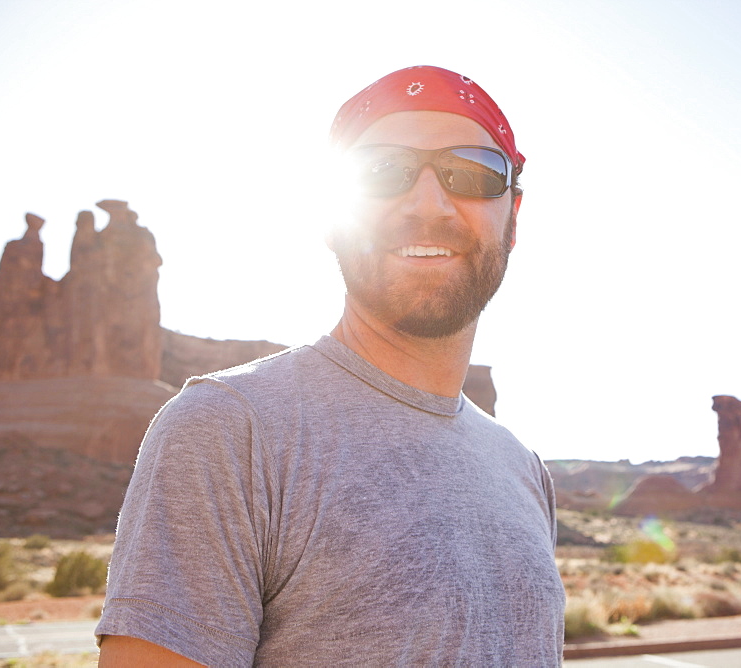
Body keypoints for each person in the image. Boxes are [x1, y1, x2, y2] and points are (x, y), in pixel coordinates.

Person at [96, 65, 565, 666]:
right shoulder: (228, 431)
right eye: (380, 171)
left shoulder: (522, 468)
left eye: (473, 172)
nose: (429, 204)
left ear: (515, 217)